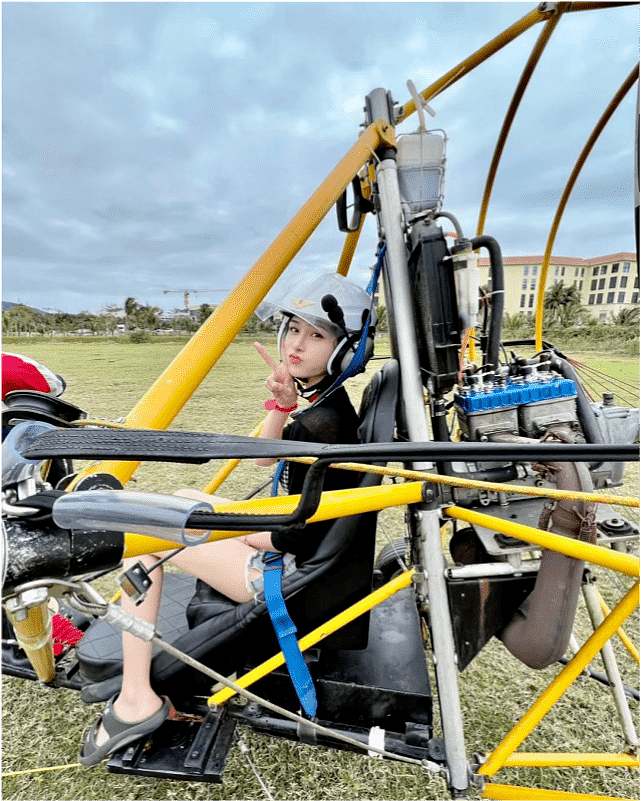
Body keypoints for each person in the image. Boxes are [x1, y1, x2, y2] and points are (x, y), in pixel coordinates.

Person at [79, 272, 377, 765]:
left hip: (290, 580)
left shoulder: (322, 422)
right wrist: (282, 404)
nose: (297, 344)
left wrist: (229, 525)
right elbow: (269, 463)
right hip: (303, 563)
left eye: (318, 335)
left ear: (345, 350)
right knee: (184, 498)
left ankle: (136, 700)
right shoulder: (324, 407)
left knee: (147, 533)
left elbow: (295, 536)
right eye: (295, 329)